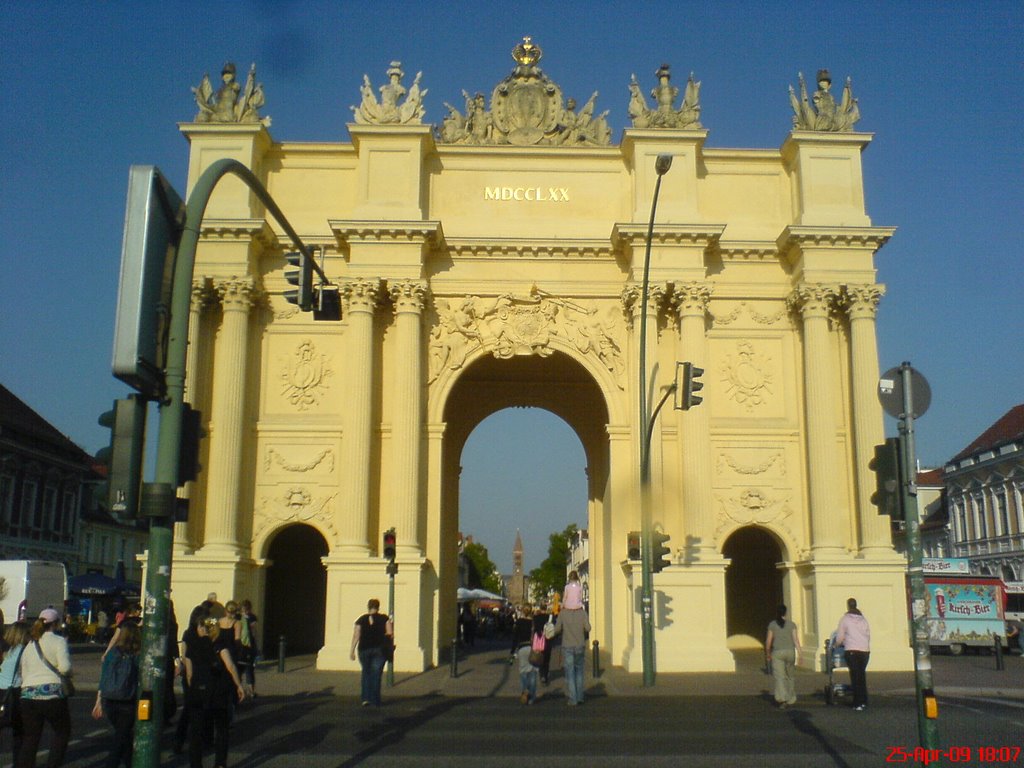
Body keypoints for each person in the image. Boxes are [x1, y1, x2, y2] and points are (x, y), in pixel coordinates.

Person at [182, 606, 245, 768]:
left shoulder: (193, 646)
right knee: (222, 729)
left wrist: (192, 687)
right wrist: (238, 685)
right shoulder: (219, 644)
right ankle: (220, 763)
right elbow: (230, 666)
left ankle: (196, 764)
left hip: (198, 691)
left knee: (196, 732)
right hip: (218, 691)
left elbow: (189, 673)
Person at [16, 608, 72, 768]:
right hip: (51, 693)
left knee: (31, 737)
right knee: (62, 732)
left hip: (28, 694)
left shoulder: (30, 644)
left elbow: (23, 670)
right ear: (56, 623)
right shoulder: (59, 641)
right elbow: (65, 667)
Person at [91, 622, 141, 768]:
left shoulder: (112, 652)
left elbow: (104, 677)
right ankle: (112, 763)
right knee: (121, 737)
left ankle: (129, 762)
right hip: (127, 699)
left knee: (122, 734)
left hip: (109, 698)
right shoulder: (137, 654)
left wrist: (98, 701)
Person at [349, 599, 392, 707]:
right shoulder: (384, 618)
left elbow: (356, 635)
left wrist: (352, 650)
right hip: (379, 649)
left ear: (368, 606)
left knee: (366, 672)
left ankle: (365, 698)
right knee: (376, 675)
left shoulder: (361, 620)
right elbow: (390, 633)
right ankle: (375, 700)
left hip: (364, 649)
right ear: (378, 607)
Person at [551, 598, 591, 706]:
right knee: (579, 671)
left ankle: (573, 698)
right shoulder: (582, 613)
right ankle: (580, 696)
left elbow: (557, 629)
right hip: (580, 645)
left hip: (567, 645)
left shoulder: (563, 613)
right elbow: (588, 628)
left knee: (570, 672)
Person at [1, 621, 30, 767]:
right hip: (14, 692)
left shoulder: (7, 650)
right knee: (20, 732)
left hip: (1, 690)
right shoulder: (24, 650)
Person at [835, 597, 871, 711]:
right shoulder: (863, 619)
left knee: (855, 677)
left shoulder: (845, 619)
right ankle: (864, 701)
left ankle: (857, 703)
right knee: (861, 676)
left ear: (848, 606)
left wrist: (836, 644)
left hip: (851, 650)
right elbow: (868, 634)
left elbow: (840, 636)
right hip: (864, 650)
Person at [765, 604, 800, 709]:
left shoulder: (772, 624)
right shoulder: (792, 624)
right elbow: (795, 640)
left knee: (780, 677)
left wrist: (768, 653)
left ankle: (782, 698)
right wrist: (800, 654)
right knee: (790, 675)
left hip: (777, 652)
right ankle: (791, 698)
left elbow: (768, 641)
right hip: (790, 652)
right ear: (786, 613)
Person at [236, 600, 259, 698]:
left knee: (240, 670)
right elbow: (254, 632)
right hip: (248, 646)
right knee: (249, 669)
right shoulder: (252, 617)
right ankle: (250, 691)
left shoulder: (237, 618)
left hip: (239, 646)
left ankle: (239, 690)